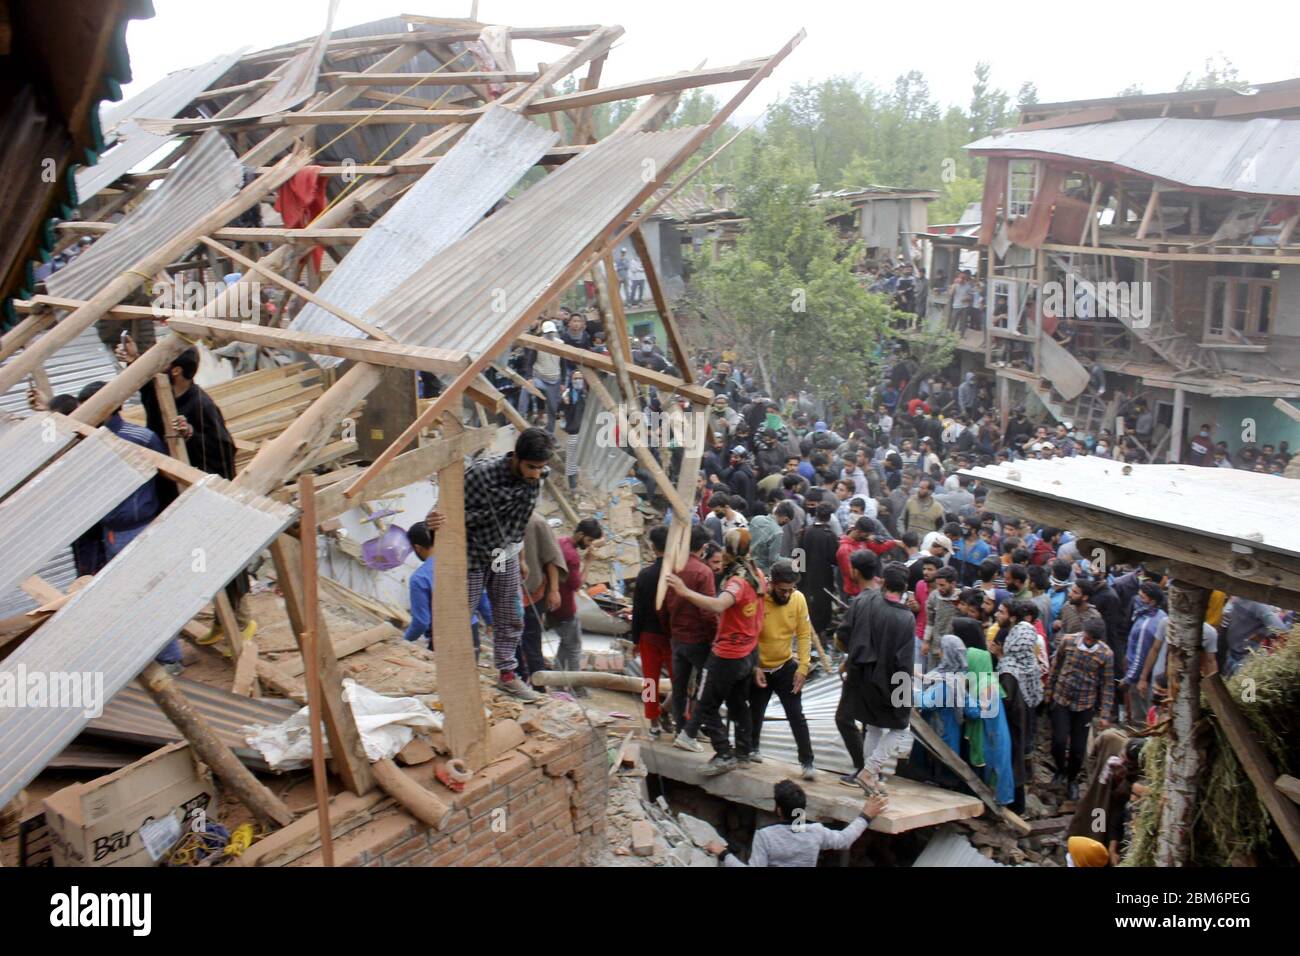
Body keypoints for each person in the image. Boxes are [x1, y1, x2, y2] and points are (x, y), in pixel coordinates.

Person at [116, 339, 251, 644]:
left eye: (162, 360)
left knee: (217, 554)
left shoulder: (199, 404)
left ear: (176, 370)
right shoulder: (160, 389)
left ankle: (239, 622)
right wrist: (134, 359)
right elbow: (147, 386)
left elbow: (223, 448)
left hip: (203, 494)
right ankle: (222, 619)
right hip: (170, 488)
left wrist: (190, 435)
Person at [429, 427, 556, 700]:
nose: (536, 474)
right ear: (516, 458)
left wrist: (520, 557)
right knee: (462, 615)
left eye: (541, 468)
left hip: (502, 555)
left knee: (509, 613)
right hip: (472, 555)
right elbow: (446, 509)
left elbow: (519, 522)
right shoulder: (481, 474)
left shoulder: (536, 479)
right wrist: (435, 520)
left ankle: (508, 674)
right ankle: (452, 674)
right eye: (531, 467)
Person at [664, 529, 767, 776]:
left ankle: (722, 752)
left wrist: (685, 591)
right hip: (747, 652)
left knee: (705, 705)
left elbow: (719, 605)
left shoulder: (736, 582)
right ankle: (743, 753)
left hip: (726, 653)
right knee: (737, 704)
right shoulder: (757, 574)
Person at [834, 557, 916, 793]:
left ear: (883, 582)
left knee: (872, 727)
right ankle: (870, 770)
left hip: (862, 677)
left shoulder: (867, 602)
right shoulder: (905, 618)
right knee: (901, 727)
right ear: (904, 588)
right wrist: (903, 695)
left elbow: (847, 637)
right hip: (890, 682)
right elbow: (904, 662)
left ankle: (868, 778)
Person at [710, 781, 887, 867]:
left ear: (778, 810)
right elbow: (844, 839)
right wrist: (865, 815)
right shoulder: (816, 832)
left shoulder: (765, 836)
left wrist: (724, 854)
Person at [749, 560, 816, 780]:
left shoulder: (798, 600)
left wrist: (804, 666)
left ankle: (807, 761)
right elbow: (748, 635)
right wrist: (754, 665)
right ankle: (752, 748)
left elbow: (804, 634)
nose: (786, 594)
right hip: (760, 667)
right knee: (755, 711)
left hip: (785, 665)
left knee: (796, 714)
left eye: (790, 590)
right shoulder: (759, 600)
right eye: (782, 590)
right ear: (771, 584)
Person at [1045, 618, 1114, 798]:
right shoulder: (1068, 642)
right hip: (1062, 699)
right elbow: (1055, 667)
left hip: (1084, 704)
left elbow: (1107, 685)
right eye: (1087, 638)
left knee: (1077, 749)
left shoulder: (1105, 654)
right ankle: (1060, 769)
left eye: (1093, 640)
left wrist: (1105, 713)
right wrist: (1048, 692)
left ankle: (1072, 778)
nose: (1088, 642)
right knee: (1059, 742)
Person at [664, 525, 718, 744]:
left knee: (679, 686)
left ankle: (680, 727)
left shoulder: (673, 567)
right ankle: (694, 729)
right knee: (705, 686)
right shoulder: (703, 572)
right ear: (703, 547)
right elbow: (708, 611)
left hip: (677, 636)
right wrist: (715, 637)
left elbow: (663, 605)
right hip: (699, 639)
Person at [631, 526, 674, 735]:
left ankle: (654, 722)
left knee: (650, 681)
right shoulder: (677, 574)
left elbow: (637, 610)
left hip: (648, 636)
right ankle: (681, 720)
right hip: (674, 637)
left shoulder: (645, 575)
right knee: (681, 682)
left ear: (652, 546)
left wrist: (635, 640)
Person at [552, 518, 603, 693]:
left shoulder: (561, 542)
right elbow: (576, 585)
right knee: (574, 648)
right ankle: (576, 686)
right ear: (580, 535)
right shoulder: (572, 556)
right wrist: (588, 562)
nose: (588, 544)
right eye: (588, 540)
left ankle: (557, 682)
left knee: (565, 644)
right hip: (565, 606)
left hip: (554, 604)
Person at [518, 512, 566, 682]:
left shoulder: (536, 523)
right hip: (508, 592)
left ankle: (538, 684)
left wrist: (554, 589)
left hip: (532, 592)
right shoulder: (502, 517)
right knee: (511, 640)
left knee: (531, 641)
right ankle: (518, 679)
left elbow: (550, 559)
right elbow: (498, 557)